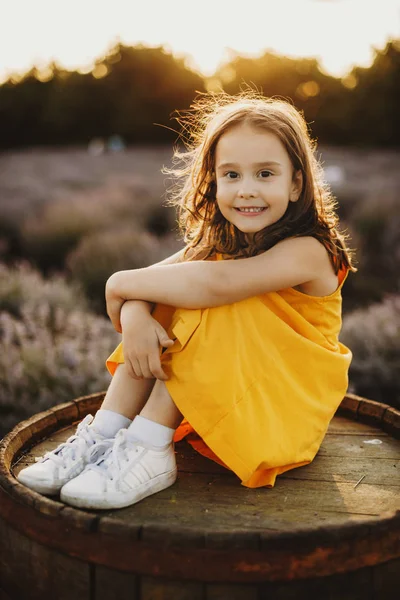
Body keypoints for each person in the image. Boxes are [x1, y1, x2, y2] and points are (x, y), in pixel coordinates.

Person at [16, 90, 357, 510]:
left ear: (296, 183)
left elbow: (213, 285)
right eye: (231, 175)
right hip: (236, 392)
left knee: (216, 298)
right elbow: (154, 281)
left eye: (265, 174)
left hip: (283, 405)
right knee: (174, 290)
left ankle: (150, 444)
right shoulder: (221, 241)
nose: (246, 190)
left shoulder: (309, 250)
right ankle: (105, 432)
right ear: (213, 182)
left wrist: (118, 284)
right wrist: (137, 315)